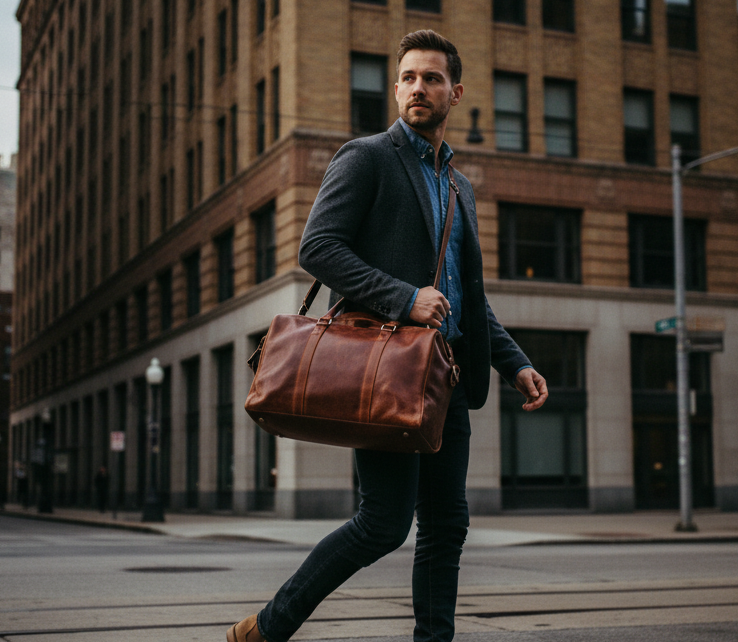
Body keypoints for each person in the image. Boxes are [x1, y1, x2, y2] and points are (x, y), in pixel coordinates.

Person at [226, 30, 548, 642]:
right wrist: (403, 298)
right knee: (383, 523)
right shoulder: (367, 156)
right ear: (396, 89)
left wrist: (515, 363)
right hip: (387, 374)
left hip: (446, 379)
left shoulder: (459, 186)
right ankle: (267, 628)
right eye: (408, 78)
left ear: (456, 93)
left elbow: (466, 295)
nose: (417, 88)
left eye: (431, 78)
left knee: (447, 526)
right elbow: (318, 247)